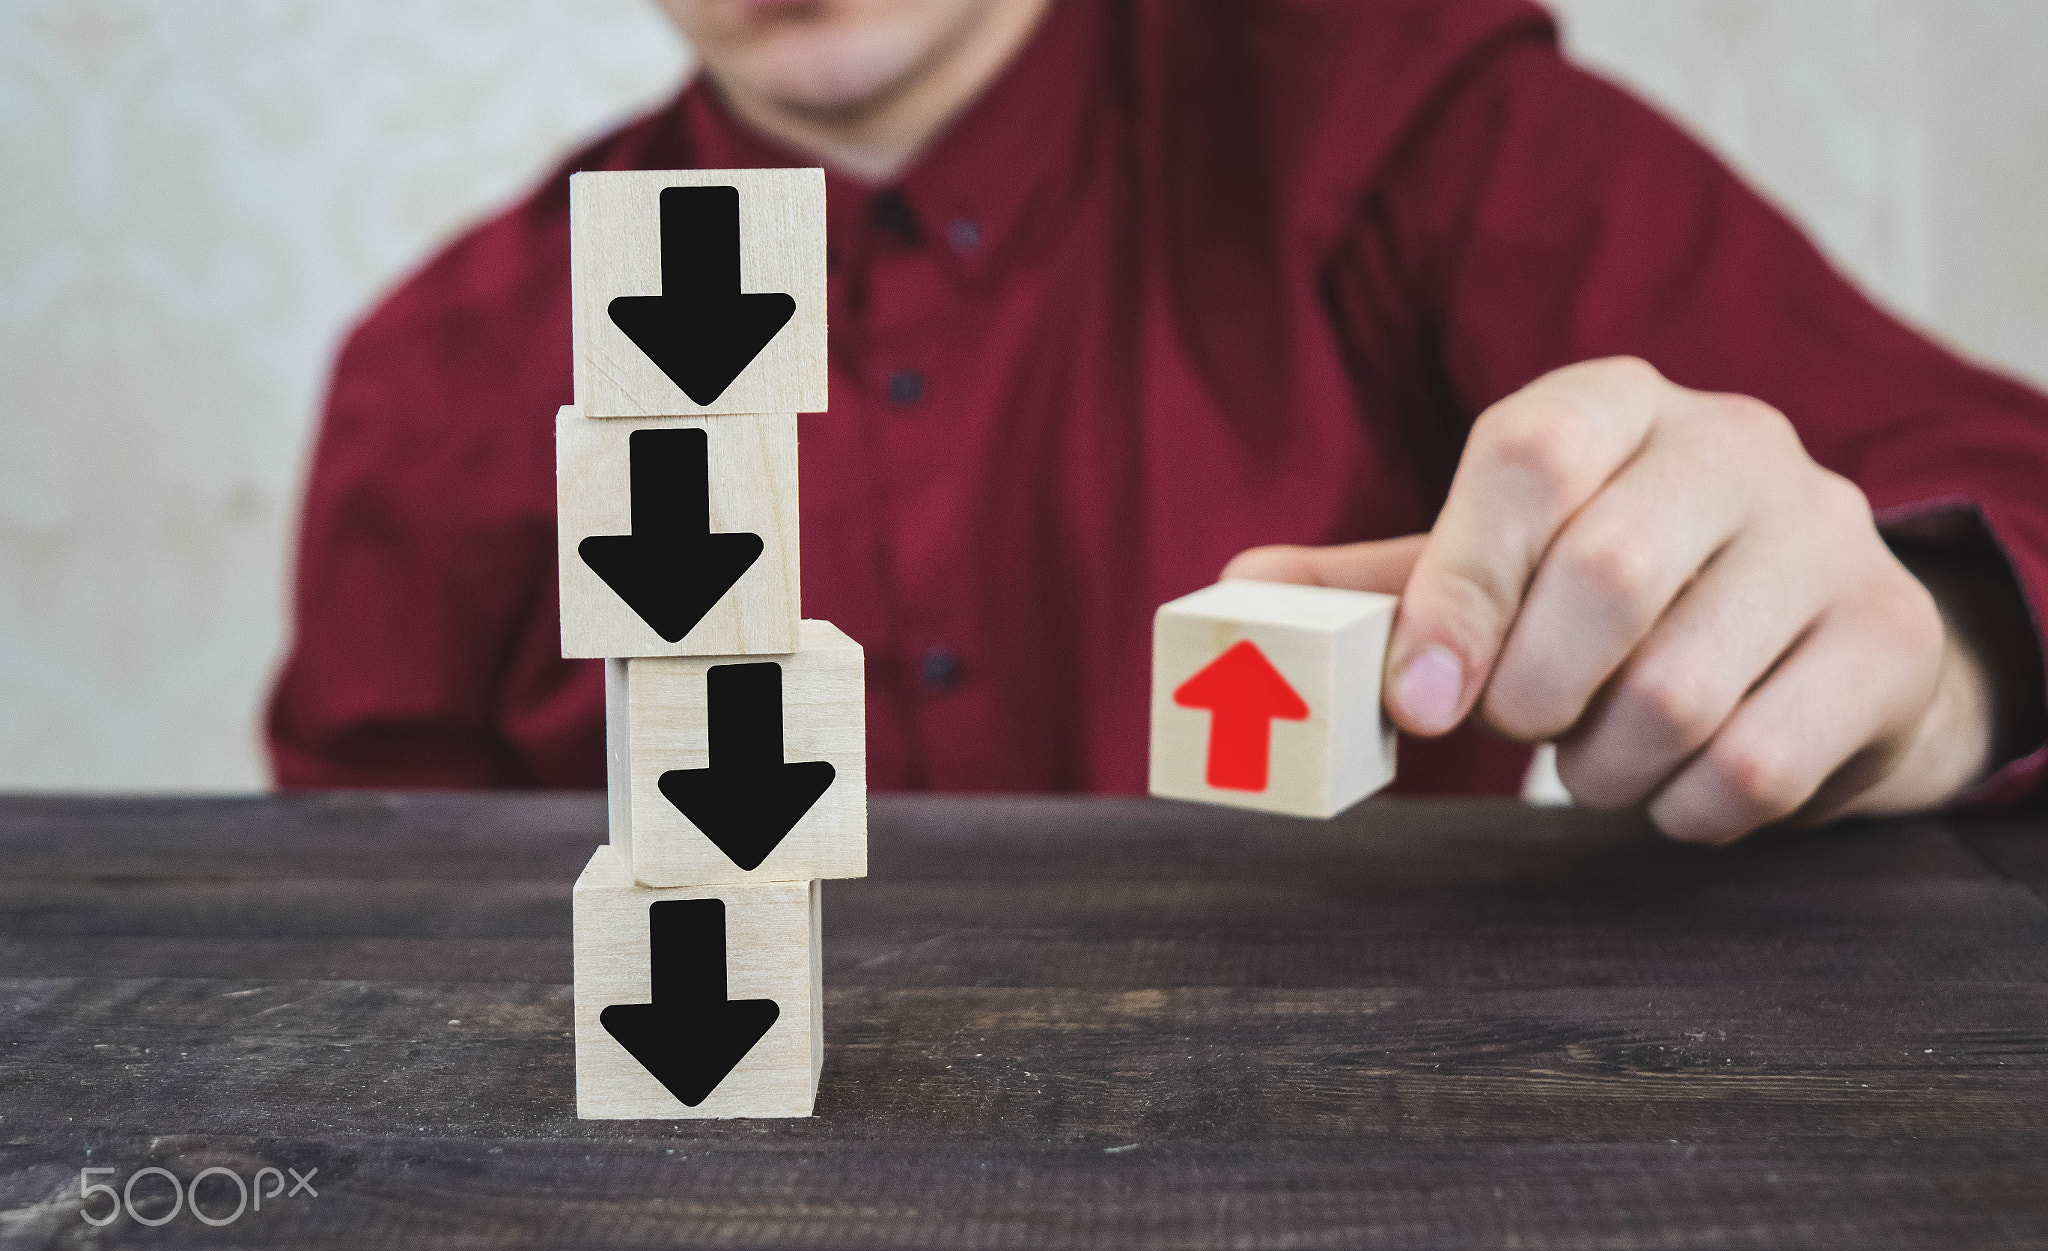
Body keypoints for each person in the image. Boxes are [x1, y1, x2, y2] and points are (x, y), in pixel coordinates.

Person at [268, 0, 2048, 844]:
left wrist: (1928, 658)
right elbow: (372, 927)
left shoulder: (1401, 122)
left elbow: (2000, 503)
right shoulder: (446, 368)